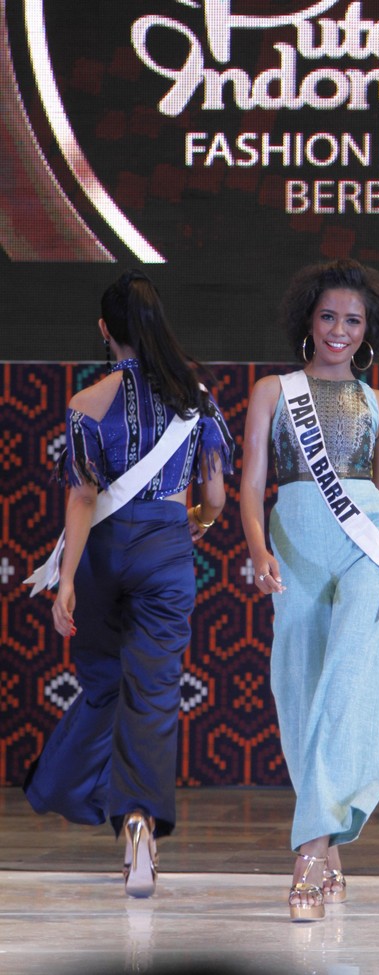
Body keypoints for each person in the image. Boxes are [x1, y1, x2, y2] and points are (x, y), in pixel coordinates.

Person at [23, 270, 234, 898]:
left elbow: (83, 497)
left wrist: (65, 581)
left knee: (103, 686)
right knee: (153, 691)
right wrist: (192, 520)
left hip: (99, 559)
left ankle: (63, 786)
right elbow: (216, 494)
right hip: (167, 548)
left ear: (104, 330)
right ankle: (138, 820)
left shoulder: (86, 403)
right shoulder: (196, 396)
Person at [240, 258, 379, 921]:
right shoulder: (273, 391)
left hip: (368, 546)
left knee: (347, 681)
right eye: (330, 316)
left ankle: (308, 850)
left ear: (370, 331)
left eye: (353, 320)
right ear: (308, 320)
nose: (340, 330)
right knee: (301, 691)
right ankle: (331, 840)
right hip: (296, 543)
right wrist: (255, 547)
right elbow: (253, 486)